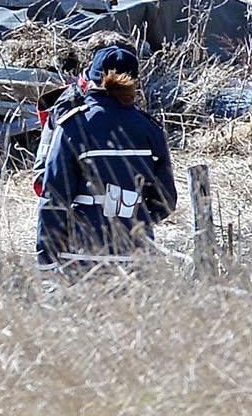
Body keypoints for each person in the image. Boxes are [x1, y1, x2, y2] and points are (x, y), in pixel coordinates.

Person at [34, 44, 178, 270]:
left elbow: (54, 199)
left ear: (92, 80)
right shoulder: (150, 129)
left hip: (82, 256)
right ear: (133, 83)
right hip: (137, 256)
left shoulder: (73, 126)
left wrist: (47, 261)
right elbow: (165, 200)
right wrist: (135, 219)